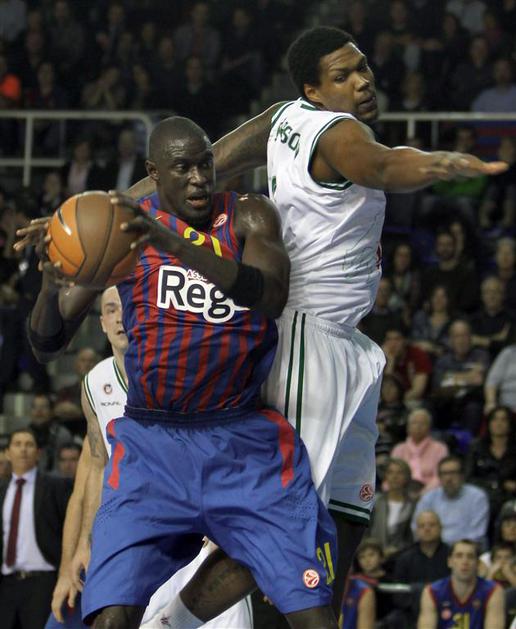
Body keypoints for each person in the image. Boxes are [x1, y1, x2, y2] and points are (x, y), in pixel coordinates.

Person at [127, 25, 507, 614]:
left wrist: (109, 207)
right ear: (314, 90)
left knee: (348, 514)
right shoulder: (339, 132)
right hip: (309, 339)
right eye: (342, 76)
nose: (362, 82)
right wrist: (435, 163)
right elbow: (382, 165)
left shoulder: (283, 118)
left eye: (362, 67)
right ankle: (166, 624)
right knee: (280, 519)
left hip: (344, 342)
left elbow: (208, 162)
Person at [19, 116, 338, 629]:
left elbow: (271, 296)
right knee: (111, 618)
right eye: (183, 168)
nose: (198, 179)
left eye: (205, 164)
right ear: (154, 173)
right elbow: (47, 344)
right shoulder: (125, 235)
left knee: (315, 616)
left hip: (241, 444)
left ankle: (179, 620)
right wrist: (50, 285)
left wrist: (173, 242)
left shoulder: (248, 215)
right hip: (153, 447)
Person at [46, 287, 251, 629]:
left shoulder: (184, 367)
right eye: (111, 310)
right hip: (137, 534)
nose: (120, 318)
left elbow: (226, 447)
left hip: (194, 529)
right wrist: (83, 544)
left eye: (126, 307)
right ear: (101, 322)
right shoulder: (95, 383)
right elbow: (96, 470)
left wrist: (222, 520)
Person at [0, 428, 72, 629]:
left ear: (38, 453)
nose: (23, 449)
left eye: (29, 444)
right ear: (7, 453)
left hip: (43, 582)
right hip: (6, 583)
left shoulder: (55, 487)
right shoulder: (2, 490)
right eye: (17, 444)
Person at [418, 539, 504, 629]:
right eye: (459, 556)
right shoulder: (432, 592)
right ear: (449, 562)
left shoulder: (493, 591)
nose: (465, 562)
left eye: (470, 557)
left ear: (478, 563)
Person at [412, 456, 490, 548]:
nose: (449, 478)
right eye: (444, 474)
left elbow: (477, 534)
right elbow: (416, 527)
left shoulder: (477, 497)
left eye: (453, 473)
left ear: (462, 476)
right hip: (435, 549)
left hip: (466, 550)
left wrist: (453, 549)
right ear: (439, 477)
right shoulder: (429, 498)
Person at [391, 408, 449, 492]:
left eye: (422, 423)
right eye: (414, 423)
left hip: (431, 492)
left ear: (429, 427)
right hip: (401, 492)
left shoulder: (440, 448)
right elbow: (391, 476)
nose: (418, 426)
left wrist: (424, 493)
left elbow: (440, 476)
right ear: (408, 427)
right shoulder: (399, 449)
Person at [368, 458, 415, 556]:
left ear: (407, 477)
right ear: (386, 476)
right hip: (374, 555)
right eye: (390, 472)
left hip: (402, 556)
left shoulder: (413, 506)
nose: (394, 476)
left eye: (399, 473)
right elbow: (366, 532)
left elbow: (411, 537)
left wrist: (397, 550)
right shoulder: (375, 501)